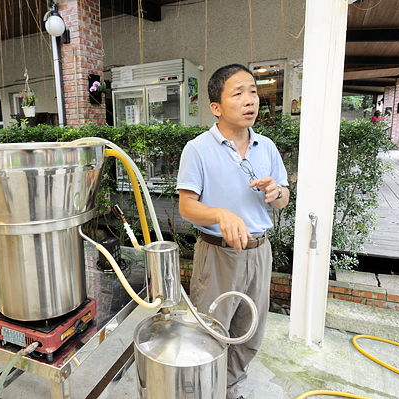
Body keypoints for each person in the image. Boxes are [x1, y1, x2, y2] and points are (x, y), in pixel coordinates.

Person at [176, 64, 290, 399]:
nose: (249, 99)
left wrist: (277, 193)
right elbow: (186, 207)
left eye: (253, 91)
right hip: (217, 254)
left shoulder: (266, 147)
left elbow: (283, 198)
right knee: (210, 332)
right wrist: (220, 214)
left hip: (259, 251)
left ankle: (230, 388)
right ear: (216, 107)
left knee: (249, 331)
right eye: (238, 93)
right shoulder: (197, 149)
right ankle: (203, 390)